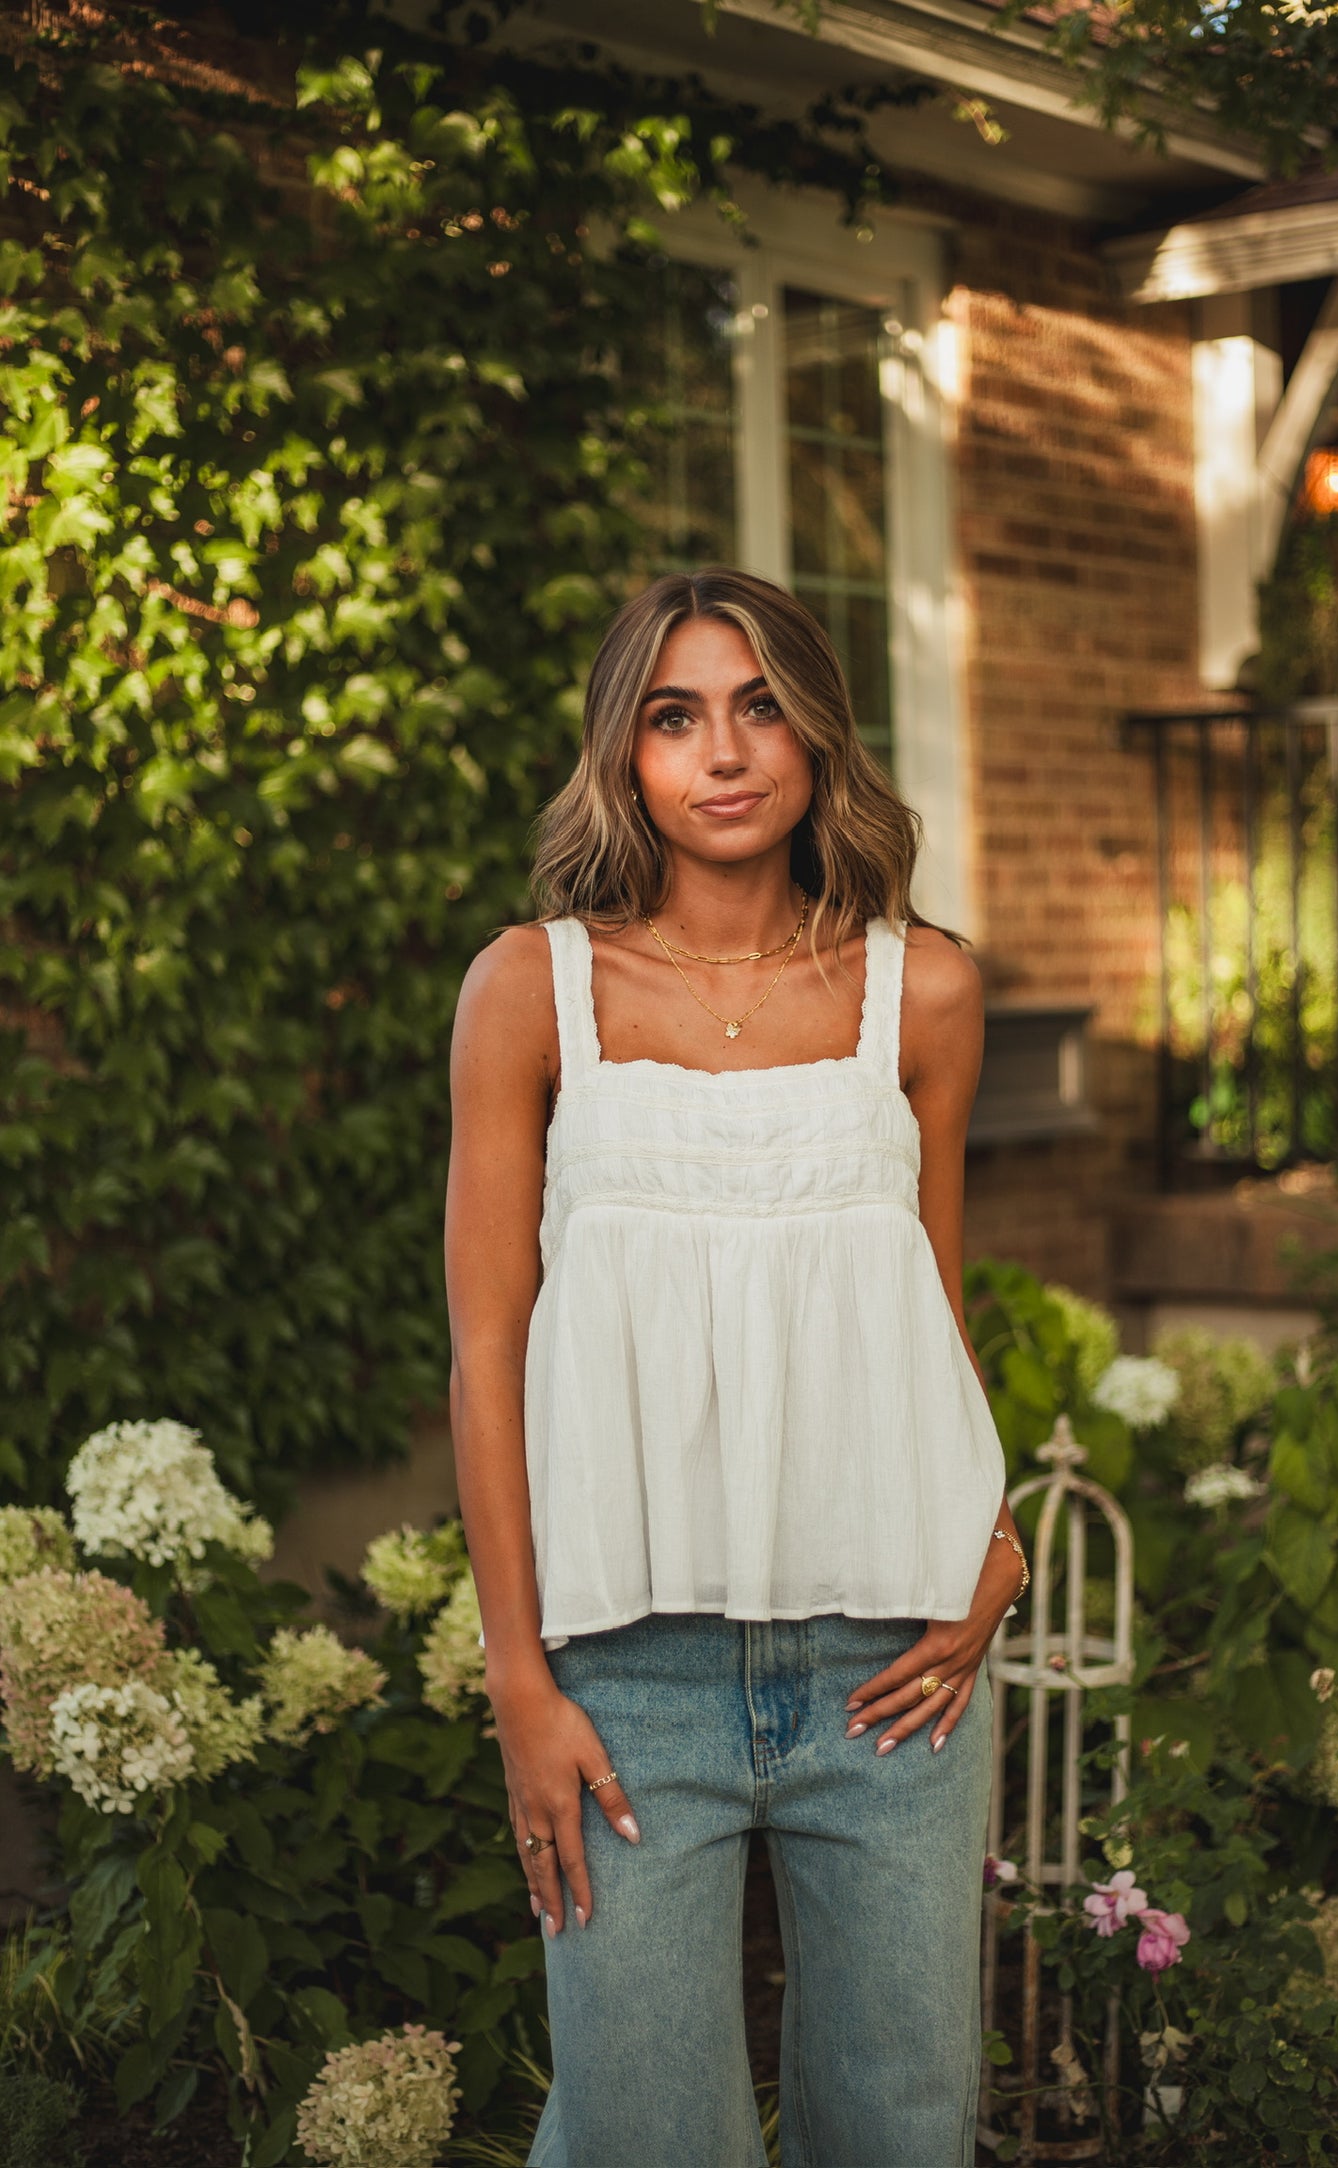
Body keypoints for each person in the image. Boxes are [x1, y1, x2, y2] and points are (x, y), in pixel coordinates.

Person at [445, 567, 1029, 2168]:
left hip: (893, 1672)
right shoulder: (530, 988)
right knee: (643, 2140)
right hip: (624, 1679)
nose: (724, 751)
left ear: (817, 736)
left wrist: (990, 1542)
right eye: (675, 715)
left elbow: (928, 1300)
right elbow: (487, 1347)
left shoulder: (927, 989)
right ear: (621, 756)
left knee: (901, 2131)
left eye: (760, 704)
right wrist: (520, 1680)